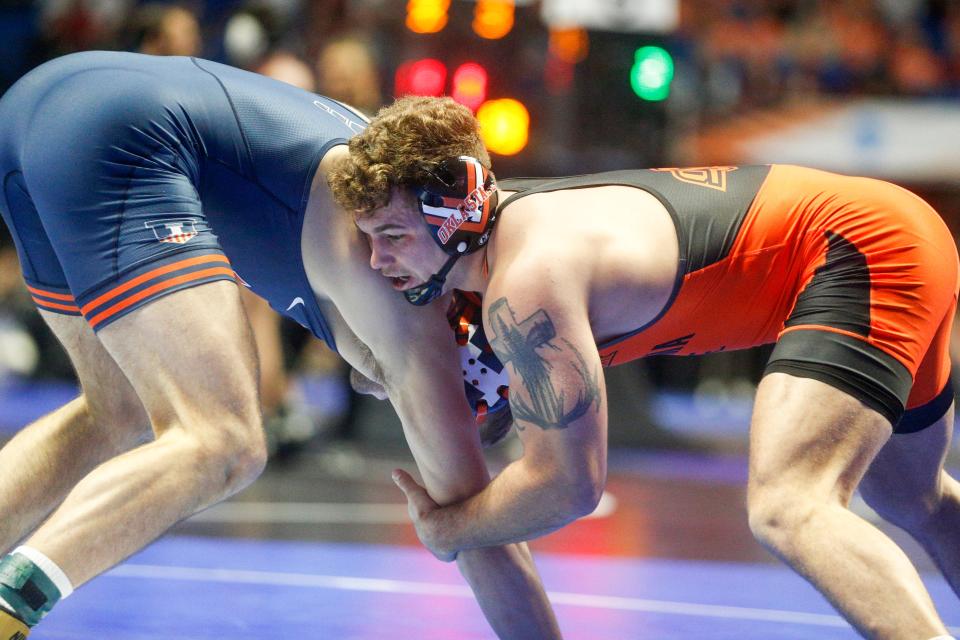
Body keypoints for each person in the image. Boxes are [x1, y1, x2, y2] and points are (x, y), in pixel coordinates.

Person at [329, 95, 960, 640]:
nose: (379, 260)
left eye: (393, 234)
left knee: (789, 504)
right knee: (912, 495)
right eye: (369, 239)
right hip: (888, 231)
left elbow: (568, 485)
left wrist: (451, 528)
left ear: (452, 213)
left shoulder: (525, 283)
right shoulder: (502, 244)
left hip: (862, 249)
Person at [0, 53, 561, 638]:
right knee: (223, 442)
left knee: (118, 410)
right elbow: (482, 536)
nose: (398, 405)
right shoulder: (416, 321)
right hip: (114, 136)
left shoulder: (393, 182)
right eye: (461, 404)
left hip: (44, 102)